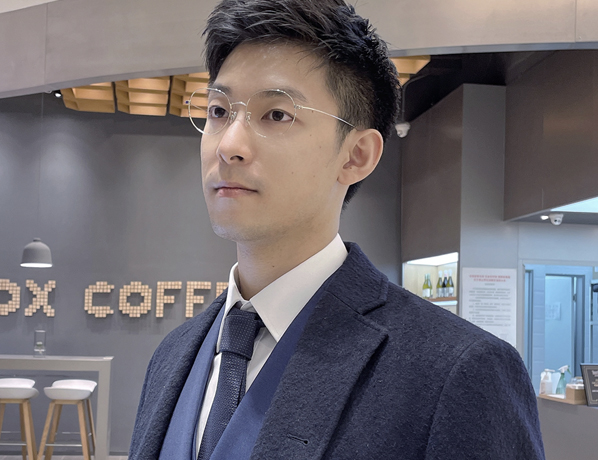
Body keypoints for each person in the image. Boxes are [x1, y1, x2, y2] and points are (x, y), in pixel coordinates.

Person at [129, 0, 545, 459]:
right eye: (218, 111)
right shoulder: (173, 356)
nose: (229, 145)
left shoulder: (456, 372)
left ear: (356, 156)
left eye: (276, 114)